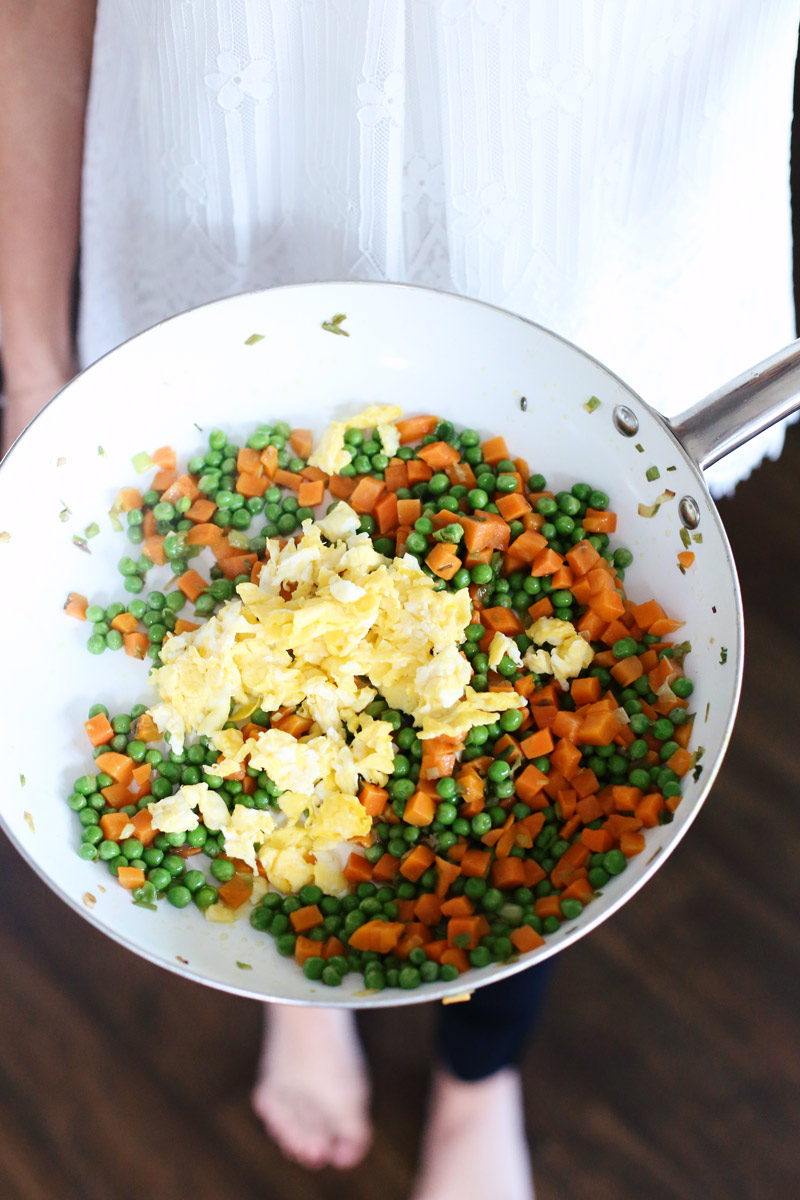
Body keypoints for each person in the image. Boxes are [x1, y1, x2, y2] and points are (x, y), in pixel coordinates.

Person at [1, 3, 798, 1196]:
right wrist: (32, 375)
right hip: (224, 157)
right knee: (332, 809)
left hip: (599, 198)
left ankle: (479, 1069)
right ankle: (299, 973)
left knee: (530, 812)